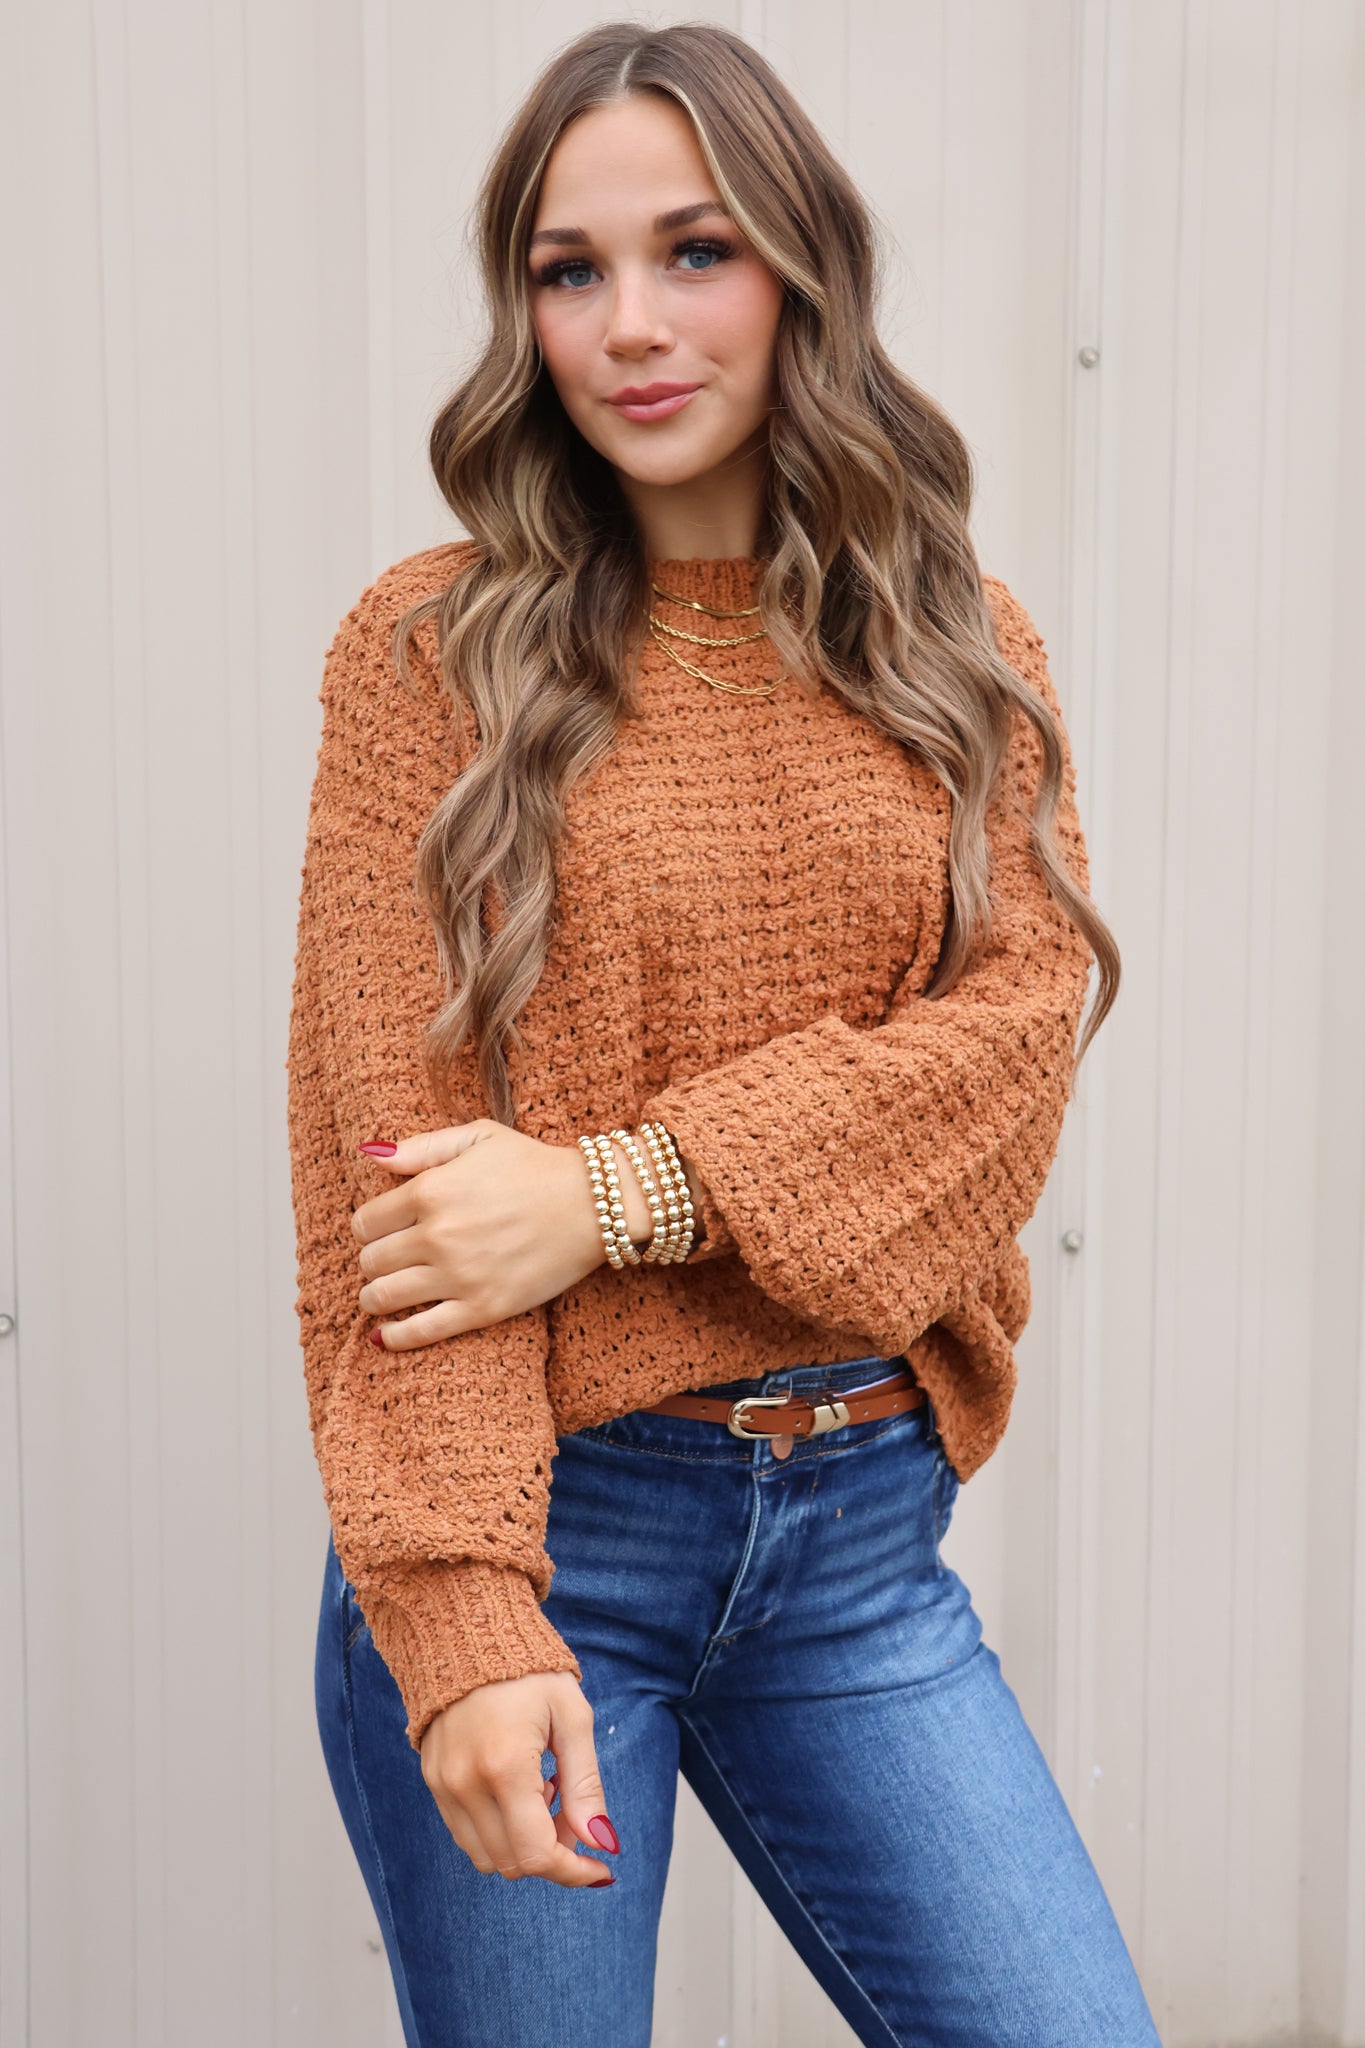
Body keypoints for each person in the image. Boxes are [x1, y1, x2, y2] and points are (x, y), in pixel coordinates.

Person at [287, 20, 1161, 2048]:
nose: (629, 324)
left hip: (856, 1538)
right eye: (567, 269)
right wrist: (460, 1614)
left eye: (695, 250)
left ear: (798, 268)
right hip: (548, 1532)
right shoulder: (430, 655)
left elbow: (1006, 1057)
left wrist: (619, 1189)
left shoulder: (955, 642)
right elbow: (393, 1196)